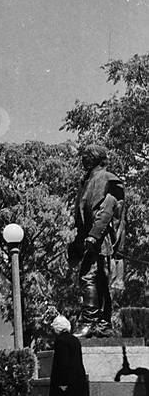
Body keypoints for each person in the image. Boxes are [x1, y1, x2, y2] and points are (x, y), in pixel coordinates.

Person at [70, 143, 126, 338]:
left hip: (100, 240)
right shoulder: (88, 180)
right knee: (100, 280)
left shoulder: (106, 178)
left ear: (96, 158)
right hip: (91, 239)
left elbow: (108, 207)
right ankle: (103, 324)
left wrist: (94, 234)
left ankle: (90, 321)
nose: (83, 159)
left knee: (89, 277)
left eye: (87, 156)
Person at [44, 315, 91, 396]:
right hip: (77, 378)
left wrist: (62, 382)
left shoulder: (60, 341)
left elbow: (62, 362)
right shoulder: (75, 340)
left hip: (64, 379)